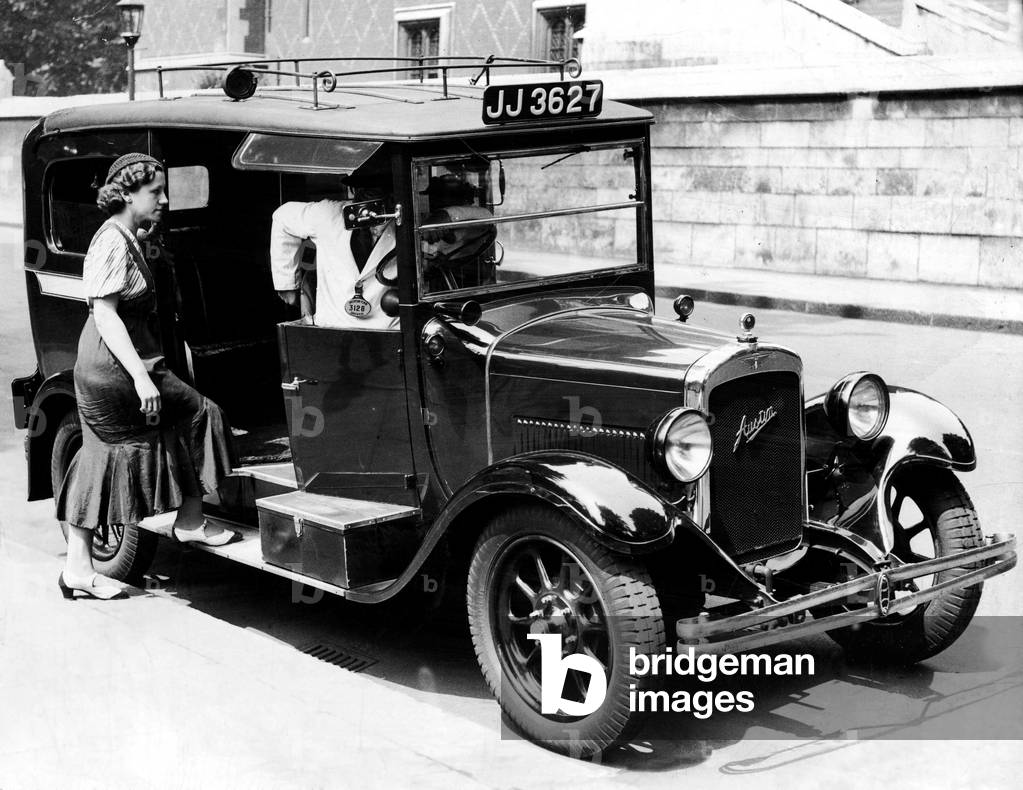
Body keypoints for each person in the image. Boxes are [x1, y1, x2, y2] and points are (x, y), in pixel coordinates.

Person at [55, 153, 236, 600]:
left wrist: (145, 231)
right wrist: (140, 378)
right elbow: (106, 314)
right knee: (201, 413)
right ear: (126, 194)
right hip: (116, 365)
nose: (165, 199)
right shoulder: (112, 241)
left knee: (102, 458)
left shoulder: (124, 234)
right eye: (154, 192)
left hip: (106, 364)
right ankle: (190, 521)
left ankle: (77, 569)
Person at [270, 183, 397, 329]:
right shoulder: (328, 213)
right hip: (332, 326)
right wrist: (287, 284)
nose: (370, 197)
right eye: (364, 187)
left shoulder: (405, 221)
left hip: (388, 328)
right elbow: (282, 217)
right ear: (352, 189)